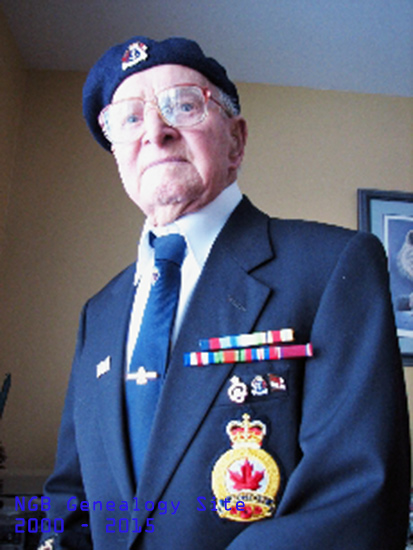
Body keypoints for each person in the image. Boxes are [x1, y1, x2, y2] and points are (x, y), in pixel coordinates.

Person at [39, 36, 410, 550]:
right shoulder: (97, 314)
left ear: (236, 140)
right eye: (129, 119)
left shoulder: (333, 265)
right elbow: (70, 500)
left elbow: (356, 499)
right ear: (119, 157)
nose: (155, 131)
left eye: (183, 105)